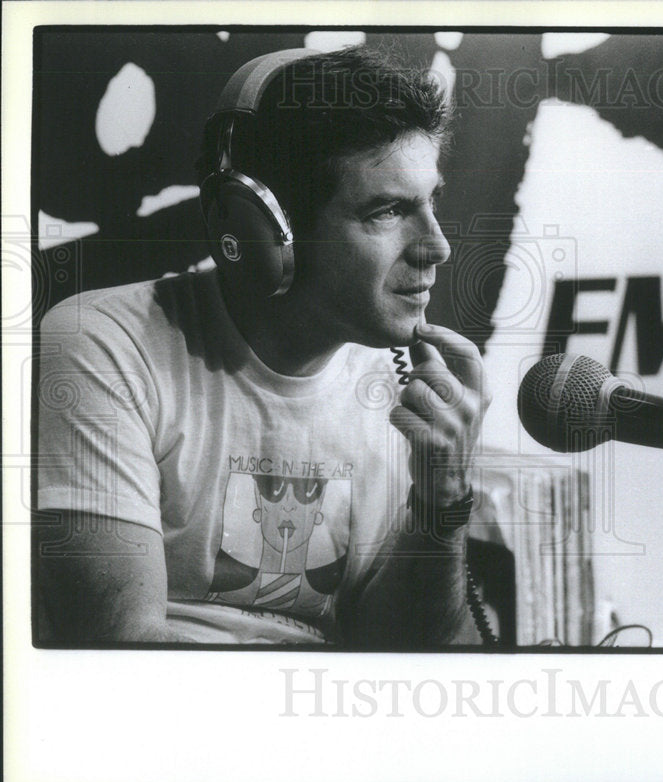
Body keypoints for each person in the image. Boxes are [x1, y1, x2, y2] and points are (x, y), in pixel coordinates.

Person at [34, 46, 491, 646]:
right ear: (262, 231)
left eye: (431, 203)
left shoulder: (403, 395)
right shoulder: (103, 344)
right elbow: (120, 650)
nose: (436, 248)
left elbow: (409, 659)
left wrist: (443, 499)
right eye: (387, 211)